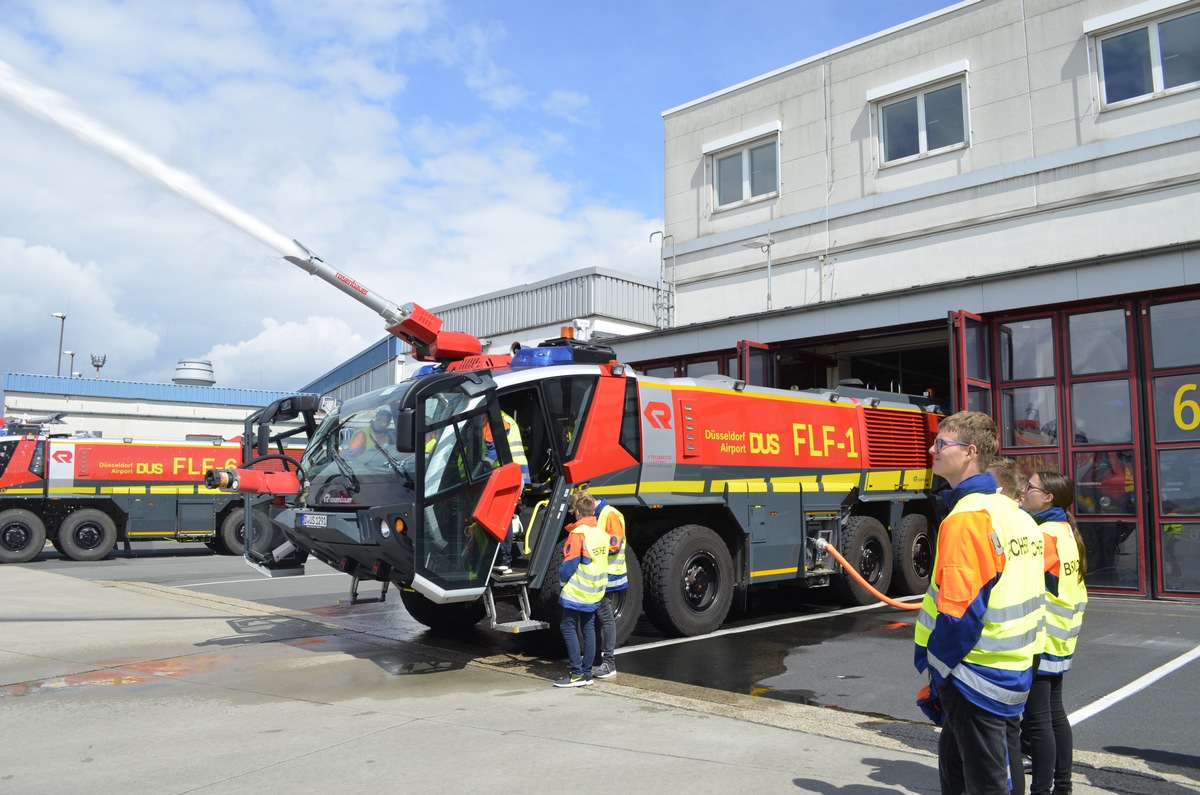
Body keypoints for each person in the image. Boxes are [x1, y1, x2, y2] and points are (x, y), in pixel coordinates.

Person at [914, 411, 1046, 795]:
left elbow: (958, 615)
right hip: (1012, 668)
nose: (932, 449)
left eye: (941, 443)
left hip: (974, 676)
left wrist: (937, 671)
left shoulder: (968, 517)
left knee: (986, 782)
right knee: (981, 767)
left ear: (970, 452)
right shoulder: (1014, 514)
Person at [1019, 471, 1088, 795]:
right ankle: (1063, 786)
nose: (1025, 491)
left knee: (1038, 720)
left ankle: (1042, 789)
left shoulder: (1044, 534)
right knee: (1055, 715)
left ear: (1048, 497)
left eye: (1030, 488)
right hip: (1061, 637)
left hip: (1042, 638)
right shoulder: (1066, 531)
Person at [554, 489, 610, 688]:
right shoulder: (601, 534)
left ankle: (576, 673)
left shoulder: (578, 534)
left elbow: (569, 565)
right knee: (588, 628)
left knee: (567, 627)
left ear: (577, 511)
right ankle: (587, 674)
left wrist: (561, 580)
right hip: (595, 591)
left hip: (577, 591)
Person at [483, 410, 530, 574]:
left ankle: (503, 560)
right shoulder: (501, 417)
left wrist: (482, 467)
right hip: (512, 475)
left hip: (508, 476)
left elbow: (494, 450)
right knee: (502, 517)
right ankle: (501, 559)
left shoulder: (493, 419)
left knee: (500, 518)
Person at [591, 495, 627, 680]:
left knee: (605, 617)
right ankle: (598, 659)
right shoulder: (602, 513)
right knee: (599, 615)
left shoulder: (608, 514)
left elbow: (614, 544)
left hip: (610, 574)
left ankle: (609, 663)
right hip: (604, 573)